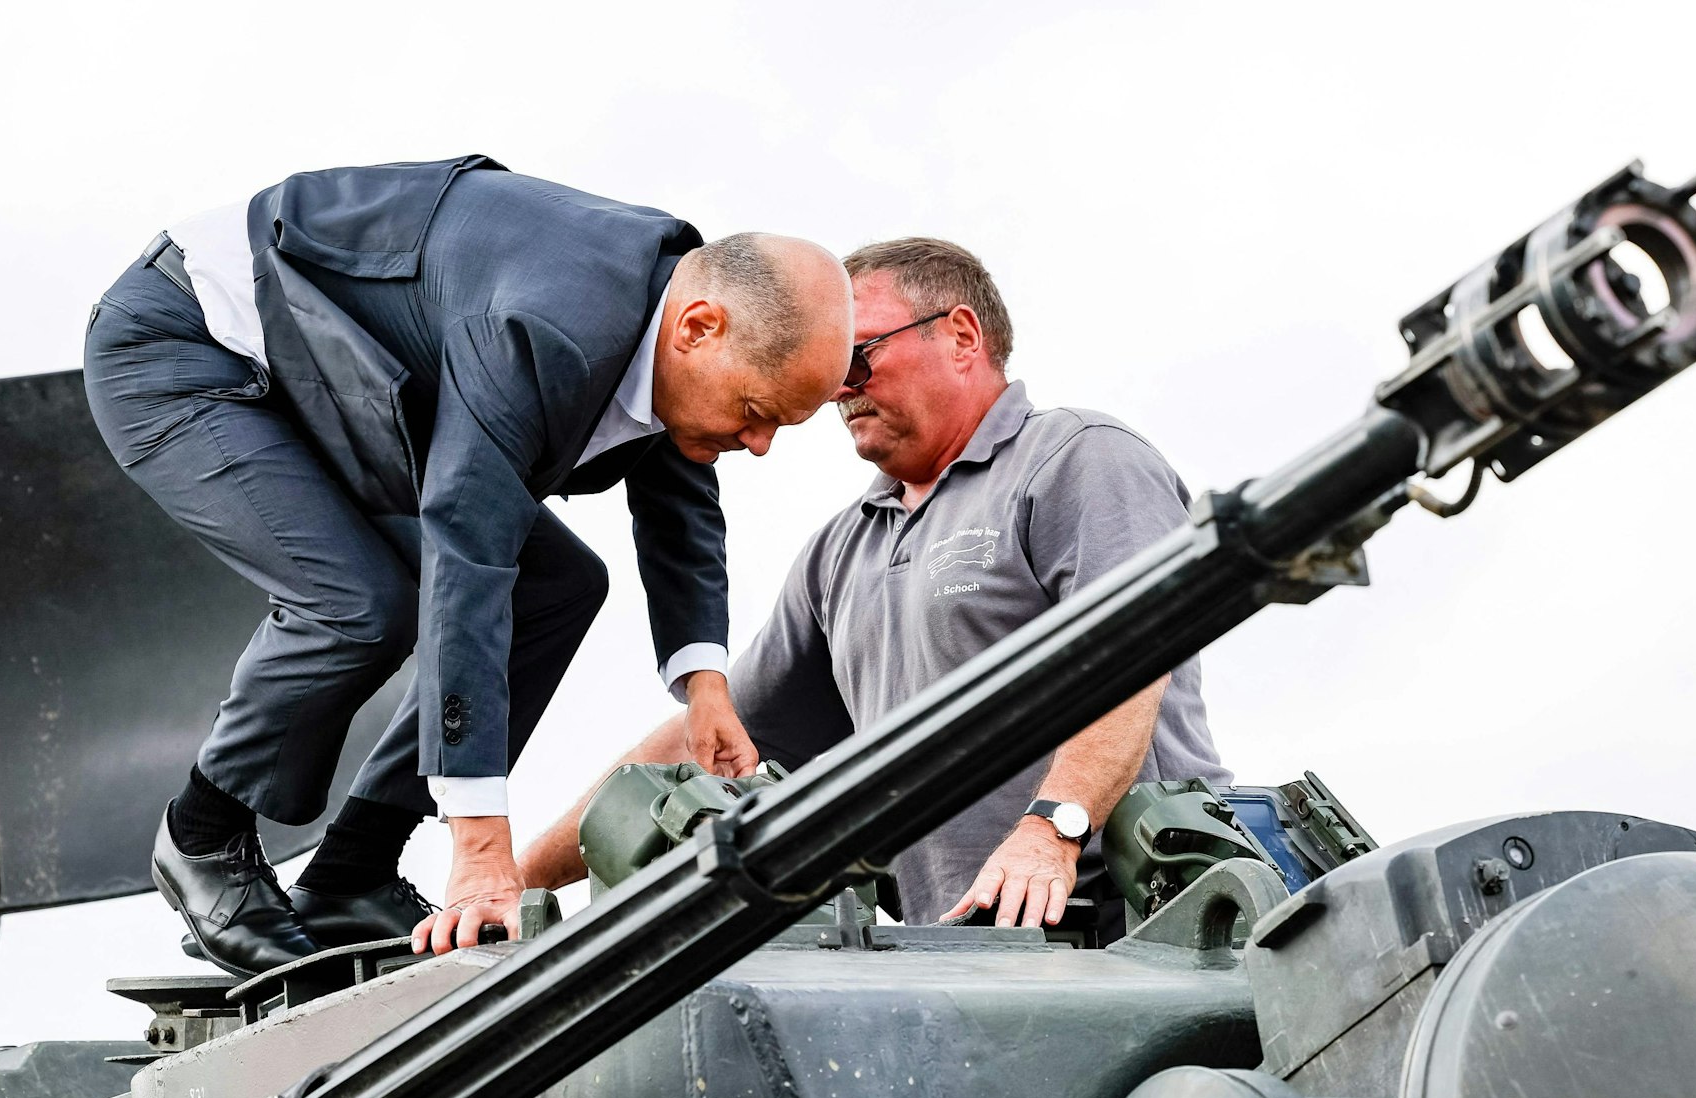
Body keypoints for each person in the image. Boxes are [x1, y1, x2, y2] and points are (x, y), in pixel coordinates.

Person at [84, 156, 852, 974]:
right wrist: (483, 848)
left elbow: (680, 502)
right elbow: (470, 556)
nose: (761, 446)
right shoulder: (546, 331)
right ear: (698, 328)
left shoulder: (674, 311)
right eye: (757, 414)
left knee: (560, 586)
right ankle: (201, 836)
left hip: (337, 372)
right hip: (189, 344)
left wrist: (704, 691)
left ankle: (353, 873)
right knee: (357, 607)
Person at [516, 237, 1229, 938]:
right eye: (829, 373)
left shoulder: (1076, 457)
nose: (841, 388)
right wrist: (513, 883)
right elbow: (709, 740)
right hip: (962, 956)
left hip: (1145, 926)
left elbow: (1132, 655)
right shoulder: (840, 552)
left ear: (960, 335)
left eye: (858, 356)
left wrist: (1054, 831)